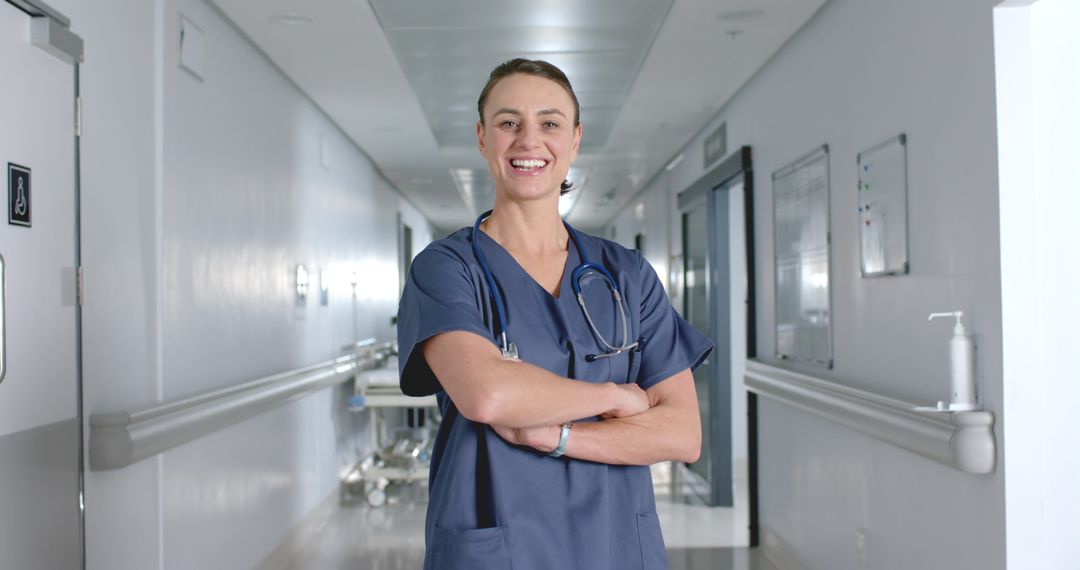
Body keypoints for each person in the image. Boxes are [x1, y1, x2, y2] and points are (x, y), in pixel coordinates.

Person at [397, 58, 713, 570]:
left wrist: (558, 435)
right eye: (508, 123)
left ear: (575, 140)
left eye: (549, 123)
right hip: (497, 543)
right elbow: (488, 393)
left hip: (615, 545)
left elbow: (682, 434)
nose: (528, 140)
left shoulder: (626, 274)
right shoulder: (447, 268)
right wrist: (614, 396)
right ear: (482, 138)